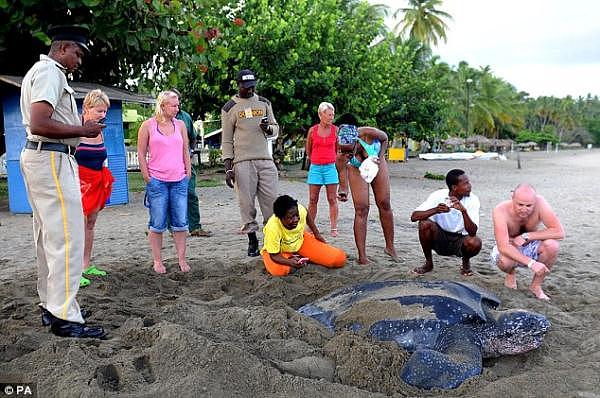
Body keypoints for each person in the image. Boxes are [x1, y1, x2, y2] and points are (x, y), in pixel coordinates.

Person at [19, 25, 105, 338]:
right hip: (51, 159)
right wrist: (83, 131)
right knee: (67, 237)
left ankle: (51, 305)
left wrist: (80, 127)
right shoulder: (51, 73)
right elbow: (41, 123)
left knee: (48, 237)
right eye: (78, 53)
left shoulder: (40, 72)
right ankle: (64, 315)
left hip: (42, 158)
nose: (79, 60)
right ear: (63, 48)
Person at [221, 68, 279, 257]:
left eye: (253, 86)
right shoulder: (230, 107)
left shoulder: (264, 103)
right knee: (246, 204)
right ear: (239, 85)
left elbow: (276, 129)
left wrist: (267, 128)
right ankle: (252, 240)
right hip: (242, 161)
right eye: (246, 87)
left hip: (265, 159)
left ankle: (271, 238)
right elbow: (227, 139)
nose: (250, 90)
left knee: (271, 201)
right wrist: (228, 167)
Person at [137, 90, 192, 274]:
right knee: (157, 223)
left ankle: (181, 259)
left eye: (178, 105)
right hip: (157, 181)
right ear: (162, 106)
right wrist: (147, 177)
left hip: (179, 179)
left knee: (181, 222)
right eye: (173, 105)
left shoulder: (181, 125)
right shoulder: (148, 126)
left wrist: (188, 173)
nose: (177, 108)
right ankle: (157, 260)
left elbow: (185, 150)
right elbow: (141, 153)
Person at [336, 114, 397, 265]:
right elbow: (342, 176)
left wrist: (380, 158)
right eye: (343, 151)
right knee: (361, 209)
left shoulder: (368, 133)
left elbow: (385, 138)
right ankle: (362, 256)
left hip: (376, 159)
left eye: (348, 150)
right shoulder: (342, 154)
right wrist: (343, 191)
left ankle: (390, 247)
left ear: (355, 141)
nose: (346, 154)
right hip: (356, 167)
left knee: (384, 202)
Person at [491, 183, 564, 300]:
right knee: (506, 262)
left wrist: (527, 236)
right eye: (520, 204)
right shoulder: (500, 210)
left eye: (529, 205)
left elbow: (559, 232)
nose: (524, 209)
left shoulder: (541, 203)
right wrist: (531, 263)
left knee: (552, 245)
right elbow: (503, 246)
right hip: (508, 246)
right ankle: (511, 274)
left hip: (529, 244)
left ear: (535, 201)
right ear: (512, 197)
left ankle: (536, 286)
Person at [75, 89, 115, 288]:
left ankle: (85, 265)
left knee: (90, 224)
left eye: (105, 111)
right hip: (79, 184)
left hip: (97, 182)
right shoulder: (75, 129)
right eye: (99, 111)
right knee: (77, 226)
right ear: (86, 109)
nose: (103, 115)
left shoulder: (99, 131)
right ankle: (74, 271)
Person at [410, 169, 482, 276]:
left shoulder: (473, 199)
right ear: (454, 187)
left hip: (459, 239)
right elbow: (414, 217)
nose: (469, 186)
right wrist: (436, 210)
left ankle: (465, 262)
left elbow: (472, 232)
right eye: (466, 183)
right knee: (424, 224)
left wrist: (463, 211)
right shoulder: (438, 195)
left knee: (475, 242)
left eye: (469, 182)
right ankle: (428, 263)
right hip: (440, 236)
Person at [261, 195, 346, 276]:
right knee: (281, 271)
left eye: (296, 215)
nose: (296, 220)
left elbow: (306, 213)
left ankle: (297, 256)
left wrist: (317, 234)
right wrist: (290, 262)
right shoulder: (272, 227)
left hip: (300, 241)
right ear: (280, 218)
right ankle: (291, 257)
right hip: (279, 250)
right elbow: (274, 255)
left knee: (339, 259)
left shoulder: (298, 210)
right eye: (290, 218)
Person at [171, 88, 212, 238]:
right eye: (173, 102)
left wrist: (191, 151)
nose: (177, 105)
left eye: (178, 101)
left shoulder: (185, 117)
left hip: (186, 162)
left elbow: (193, 137)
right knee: (171, 196)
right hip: (168, 165)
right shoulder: (158, 120)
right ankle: (172, 228)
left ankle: (195, 227)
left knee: (190, 194)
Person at [305, 102, 339, 237]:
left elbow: (338, 149)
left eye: (333, 115)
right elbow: (309, 149)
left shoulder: (336, 130)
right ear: (321, 115)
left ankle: (334, 228)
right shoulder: (312, 131)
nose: (331, 117)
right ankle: (310, 225)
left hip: (330, 167)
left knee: (332, 198)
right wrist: (316, 159)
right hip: (315, 168)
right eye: (329, 115)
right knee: (313, 199)